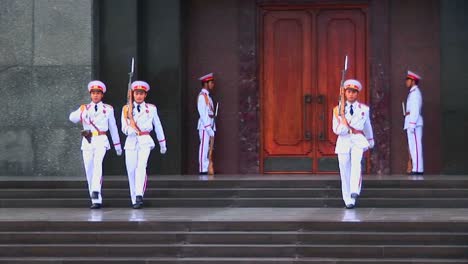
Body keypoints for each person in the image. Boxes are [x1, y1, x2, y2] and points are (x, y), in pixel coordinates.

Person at [69, 80, 122, 209]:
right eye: (93, 93)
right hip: (88, 139)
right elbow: (72, 118)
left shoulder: (108, 109)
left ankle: (96, 190)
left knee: (98, 163)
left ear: (102, 95)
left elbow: (113, 127)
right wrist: (81, 112)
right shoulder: (84, 108)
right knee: (89, 168)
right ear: (90, 94)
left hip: (101, 139)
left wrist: (117, 145)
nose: (96, 95)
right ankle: (95, 200)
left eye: (98, 93)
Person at [121, 80, 167, 209]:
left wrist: (162, 143)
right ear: (133, 94)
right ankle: (133, 198)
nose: (139, 96)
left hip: (145, 140)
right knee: (131, 170)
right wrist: (129, 130)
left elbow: (158, 126)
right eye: (136, 93)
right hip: (131, 141)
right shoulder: (126, 108)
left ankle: (139, 195)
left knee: (141, 166)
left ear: (145, 95)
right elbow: (123, 126)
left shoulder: (151, 109)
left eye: (141, 93)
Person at [332, 79, 374, 209]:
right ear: (344, 93)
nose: (351, 94)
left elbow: (367, 126)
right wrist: (344, 126)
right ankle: (348, 199)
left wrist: (370, 139)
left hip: (357, 139)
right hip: (344, 141)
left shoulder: (364, 109)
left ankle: (355, 189)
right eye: (349, 91)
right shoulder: (338, 109)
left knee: (356, 163)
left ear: (357, 94)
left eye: (354, 92)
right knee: (344, 169)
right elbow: (335, 129)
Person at [404, 71, 424, 175]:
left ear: (413, 81)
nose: (406, 82)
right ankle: (416, 168)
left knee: (416, 146)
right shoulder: (412, 93)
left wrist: (412, 124)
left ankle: (418, 169)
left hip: (414, 123)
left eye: (408, 80)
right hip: (411, 122)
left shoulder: (415, 93)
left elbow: (415, 110)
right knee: (413, 146)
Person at [197, 73, 216, 175]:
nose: (213, 85)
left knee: (208, 147)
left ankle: (206, 167)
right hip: (205, 127)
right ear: (206, 83)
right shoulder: (202, 97)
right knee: (204, 146)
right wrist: (208, 128)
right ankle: (202, 168)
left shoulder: (208, 96)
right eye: (211, 83)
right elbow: (203, 114)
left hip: (210, 125)